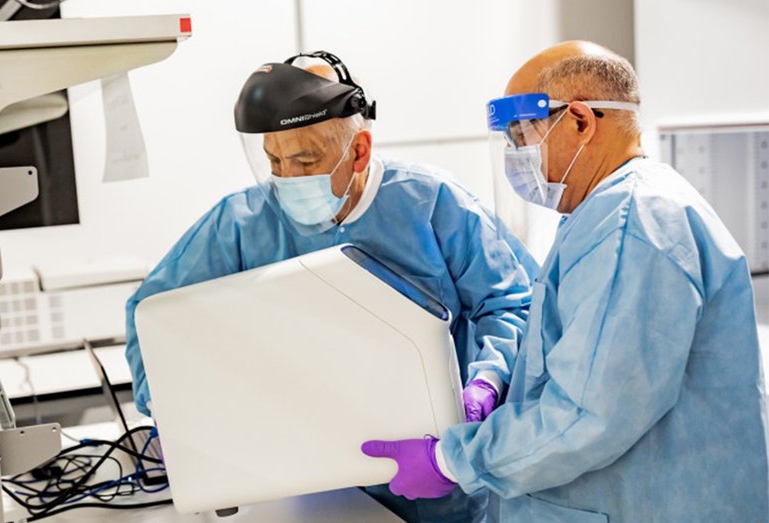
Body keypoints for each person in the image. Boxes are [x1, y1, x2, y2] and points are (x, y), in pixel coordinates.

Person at [361, 40, 769, 521]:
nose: (516, 154)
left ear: (579, 121)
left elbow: (587, 414)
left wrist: (452, 461)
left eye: (522, 135)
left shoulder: (631, 224)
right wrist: (498, 381)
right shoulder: (611, 211)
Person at [124, 51, 537, 522]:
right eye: (274, 161)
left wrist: (485, 385)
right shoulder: (241, 222)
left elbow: (510, 301)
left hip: (437, 473)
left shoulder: (432, 203)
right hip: (303, 476)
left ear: (359, 149)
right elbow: (153, 316)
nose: (286, 179)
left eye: (304, 160)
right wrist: (175, 414)